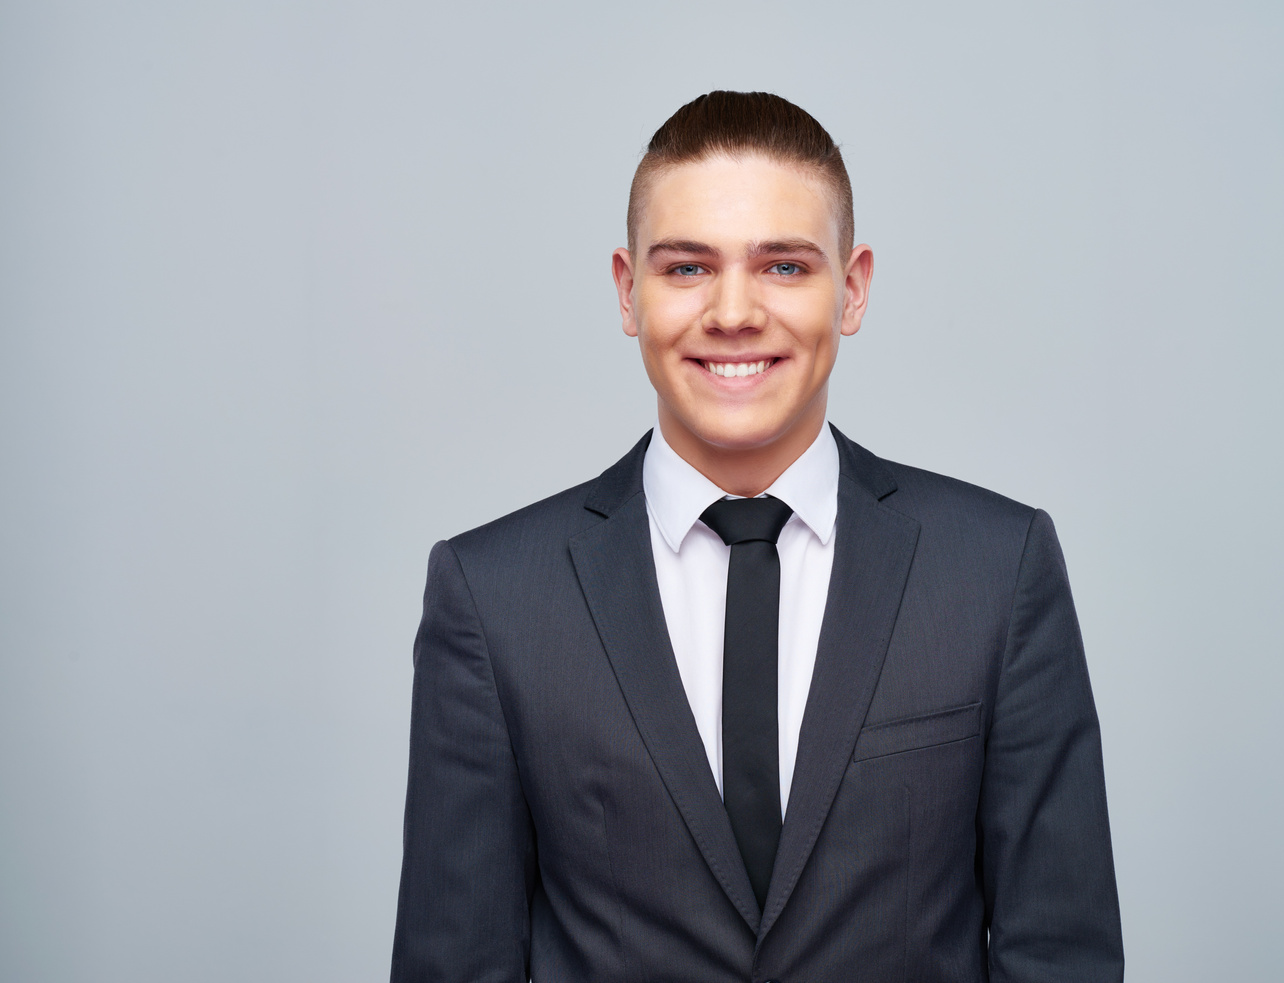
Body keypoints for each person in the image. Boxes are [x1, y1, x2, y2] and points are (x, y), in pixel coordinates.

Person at [390, 91, 1123, 983]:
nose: (734, 312)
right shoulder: (495, 595)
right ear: (629, 292)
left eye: (783, 266)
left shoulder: (996, 571)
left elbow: (1064, 955)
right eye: (688, 268)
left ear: (851, 290)